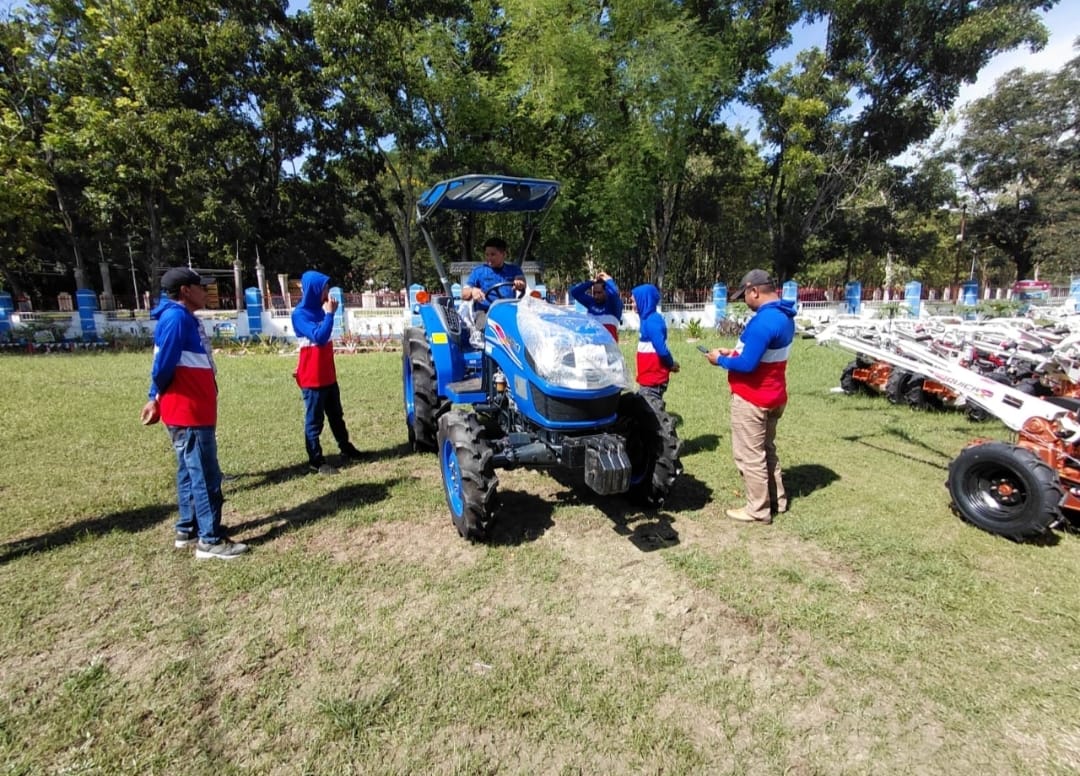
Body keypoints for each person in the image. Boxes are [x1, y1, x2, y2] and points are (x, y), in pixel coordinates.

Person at [140, 267, 248, 560]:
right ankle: (210, 540)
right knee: (206, 475)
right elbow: (163, 365)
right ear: (186, 291)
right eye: (201, 287)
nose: (206, 291)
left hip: (190, 408)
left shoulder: (180, 317)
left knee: (189, 471)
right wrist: (154, 397)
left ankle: (187, 529)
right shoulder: (176, 318)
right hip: (188, 411)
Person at [703, 269, 796, 525]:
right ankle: (778, 500)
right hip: (775, 394)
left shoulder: (763, 321)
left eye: (744, 295)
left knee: (750, 455)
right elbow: (762, 354)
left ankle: (758, 510)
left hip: (754, 398)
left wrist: (719, 359)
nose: (744, 301)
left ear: (754, 290)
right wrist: (732, 351)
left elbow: (747, 365)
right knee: (767, 449)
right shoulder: (784, 316)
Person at [292, 271, 364, 475]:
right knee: (314, 422)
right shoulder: (300, 315)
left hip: (328, 376)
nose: (327, 292)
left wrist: (328, 314)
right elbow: (320, 337)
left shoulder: (322, 310)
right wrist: (330, 314)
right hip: (312, 379)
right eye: (324, 288)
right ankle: (316, 460)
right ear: (314, 289)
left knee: (336, 416)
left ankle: (345, 448)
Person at [461, 237, 526, 335]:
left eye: (493, 254)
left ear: (504, 254)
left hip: (508, 309)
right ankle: (483, 345)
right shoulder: (479, 271)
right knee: (485, 328)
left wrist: (520, 283)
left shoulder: (514, 270)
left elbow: (521, 280)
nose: (489, 258)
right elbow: (464, 294)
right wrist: (472, 291)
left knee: (522, 327)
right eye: (487, 255)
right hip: (485, 311)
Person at [632, 283, 679, 406]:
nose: (632, 305)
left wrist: (670, 364)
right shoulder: (646, 319)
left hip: (653, 379)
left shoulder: (652, 321)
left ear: (644, 300)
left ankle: (662, 423)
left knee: (651, 410)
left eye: (634, 301)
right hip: (648, 377)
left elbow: (662, 350)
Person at [570, 271, 623, 340]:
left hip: (609, 347)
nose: (596, 296)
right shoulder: (591, 303)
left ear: (606, 292)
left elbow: (614, 294)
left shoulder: (613, 306)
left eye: (599, 293)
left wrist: (608, 280)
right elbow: (575, 292)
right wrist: (592, 282)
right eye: (594, 293)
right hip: (593, 346)